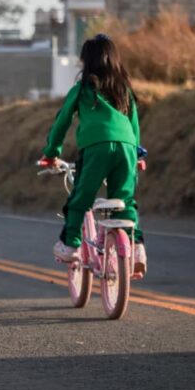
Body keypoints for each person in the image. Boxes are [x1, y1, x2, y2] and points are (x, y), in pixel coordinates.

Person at [39, 34, 147, 277]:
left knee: (81, 198)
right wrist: (138, 155)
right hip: (127, 148)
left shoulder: (82, 89)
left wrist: (51, 153)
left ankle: (70, 245)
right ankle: (137, 248)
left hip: (96, 149)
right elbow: (134, 126)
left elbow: (62, 121)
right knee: (125, 201)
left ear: (86, 61)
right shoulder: (124, 90)